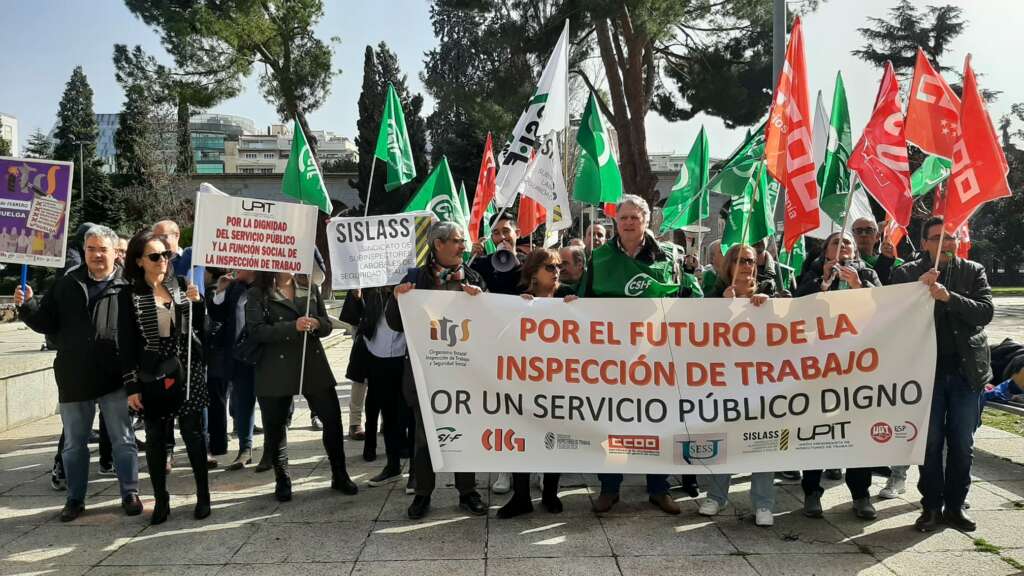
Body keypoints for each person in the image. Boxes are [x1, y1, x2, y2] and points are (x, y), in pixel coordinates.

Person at [578, 194, 703, 516]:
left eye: (636, 217)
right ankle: (609, 487)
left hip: (657, 357)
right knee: (611, 422)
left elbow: (692, 299)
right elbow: (583, 301)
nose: (630, 222)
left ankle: (658, 489)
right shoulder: (600, 257)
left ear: (647, 221)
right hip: (612, 358)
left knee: (657, 421)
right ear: (615, 222)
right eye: (624, 218)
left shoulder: (669, 256)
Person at [15, 225, 141, 522]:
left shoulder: (129, 285)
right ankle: (75, 498)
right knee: (74, 444)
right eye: (91, 249)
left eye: (103, 249)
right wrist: (28, 305)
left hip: (115, 377)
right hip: (74, 376)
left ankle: (129, 492)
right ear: (84, 252)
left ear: (114, 252)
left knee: (123, 439)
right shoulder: (67, 283)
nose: (97, 255)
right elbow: (46, 322)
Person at [892, 216, 993, 533]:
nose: (945, 243)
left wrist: (950, 297)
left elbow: (985, 311)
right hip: (926, 375)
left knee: (962, 443)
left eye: (950, 237)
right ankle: (931, 507)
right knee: (930, 443)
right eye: (937, 238)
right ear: (924, 244)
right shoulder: (906, 273)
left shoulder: (972, 271)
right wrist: (918, 291)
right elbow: (890, 316)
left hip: (966, 374)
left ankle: (955, 506)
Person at [386, 221, 488, 519]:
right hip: (424, 372)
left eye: (462, 241)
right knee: (424, 436)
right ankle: (422, 494)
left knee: (465, 431)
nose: (462, 246)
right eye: (457, 241)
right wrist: (397, 297)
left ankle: (467, 491)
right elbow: (395, 323)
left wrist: (480, 300)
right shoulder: (415, 278)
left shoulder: (472, 277)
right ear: (438, 244)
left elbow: (491, 322)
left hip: (463, 370)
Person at [118, 230, 210, 525]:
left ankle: (203, 495)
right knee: (157, 439)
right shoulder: (129, 294)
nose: (162, 261)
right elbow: (127, 343)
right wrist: (132, 386)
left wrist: (199, 303)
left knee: (193, 434)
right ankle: (161, 499)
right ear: (139, 261)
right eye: (155, 256)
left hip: (186, 368)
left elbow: (202, 328)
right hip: (152, 373)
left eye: (166, 255)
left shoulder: (181, 284)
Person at [245, 271, 358, 502]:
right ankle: (283, 479)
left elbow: (326, 324)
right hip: (275, 368)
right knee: (275, 428)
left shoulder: (309, 288)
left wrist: (318, 323)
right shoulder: (257, 293)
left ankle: (340, 474)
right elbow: (255, 331)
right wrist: (291, 327)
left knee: (332, 419)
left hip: (311, 364)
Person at [795, 231, 881, 521]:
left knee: (858, 429)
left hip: (857, 366)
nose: (842, 246)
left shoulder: (867, 272)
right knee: (816, 427)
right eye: (836, 242)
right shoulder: (812, 270)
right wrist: (822, 280)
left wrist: (858, 284)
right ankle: (811, 490)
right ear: (826, 249)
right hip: (819, 365)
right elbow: (797, 307)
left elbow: (884, 307)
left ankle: (860, 493)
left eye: (847, 242)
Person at [697, 244, 778, 527]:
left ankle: (764, 503)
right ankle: (716, 497)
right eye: (740, 261)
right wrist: (721, 305)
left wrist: (770, 304)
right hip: (726, 384)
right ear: (728, 265)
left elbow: (792, 323)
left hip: (762, 385)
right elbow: (696, 333)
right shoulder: (713, 297)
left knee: (763, 442)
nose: (747, 266)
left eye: (751, 261)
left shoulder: (770, 293)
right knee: (725, 440)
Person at [496, 248, 575, 518]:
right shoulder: (516, 300)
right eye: (549, 268)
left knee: (554, 438)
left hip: (559, 383)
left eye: (557, 268)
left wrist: (578, 310)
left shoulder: (568, 298)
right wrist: (518, 310)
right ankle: (521, 497)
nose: (556, 273)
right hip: (524, 383)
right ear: (532, 273)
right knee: (523, 438)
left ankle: (550, 494)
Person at [469, 212, 524, 494]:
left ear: (517, 233)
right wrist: (471, 256)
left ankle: (532, 466)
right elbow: (457, 284)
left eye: (507, 231)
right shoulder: (480, 264)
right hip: (493, 348)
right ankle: (503, 468)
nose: (502, 237)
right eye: (497, 234)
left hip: (526, 350)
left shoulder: (530, 264)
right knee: (501, 408)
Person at [344, 285, 413, 488]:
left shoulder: (412, 282)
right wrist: (357, 298)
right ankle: (392, 466)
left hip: (406, 358)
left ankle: (417, 474)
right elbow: (356, 320)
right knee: (388, 415)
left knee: (410, 416)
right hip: (377, 357)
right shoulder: (372, 288)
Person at [207, 269, 258, 470]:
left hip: (264, 353)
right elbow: (217, 314)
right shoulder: (235, 287)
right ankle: (245, 448)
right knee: (243, 401)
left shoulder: (268, 286)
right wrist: (220, 291)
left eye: (242, 264)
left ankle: (274, 449)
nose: (237, 268)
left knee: (270, 403)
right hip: (239, 354)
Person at [852, 217, 904, 286]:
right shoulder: (845, 262)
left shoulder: (895, 262)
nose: (863, 235)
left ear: (877, 236)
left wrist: (886, 260)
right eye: (858, 231)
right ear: (852, 236)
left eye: (869, 231)